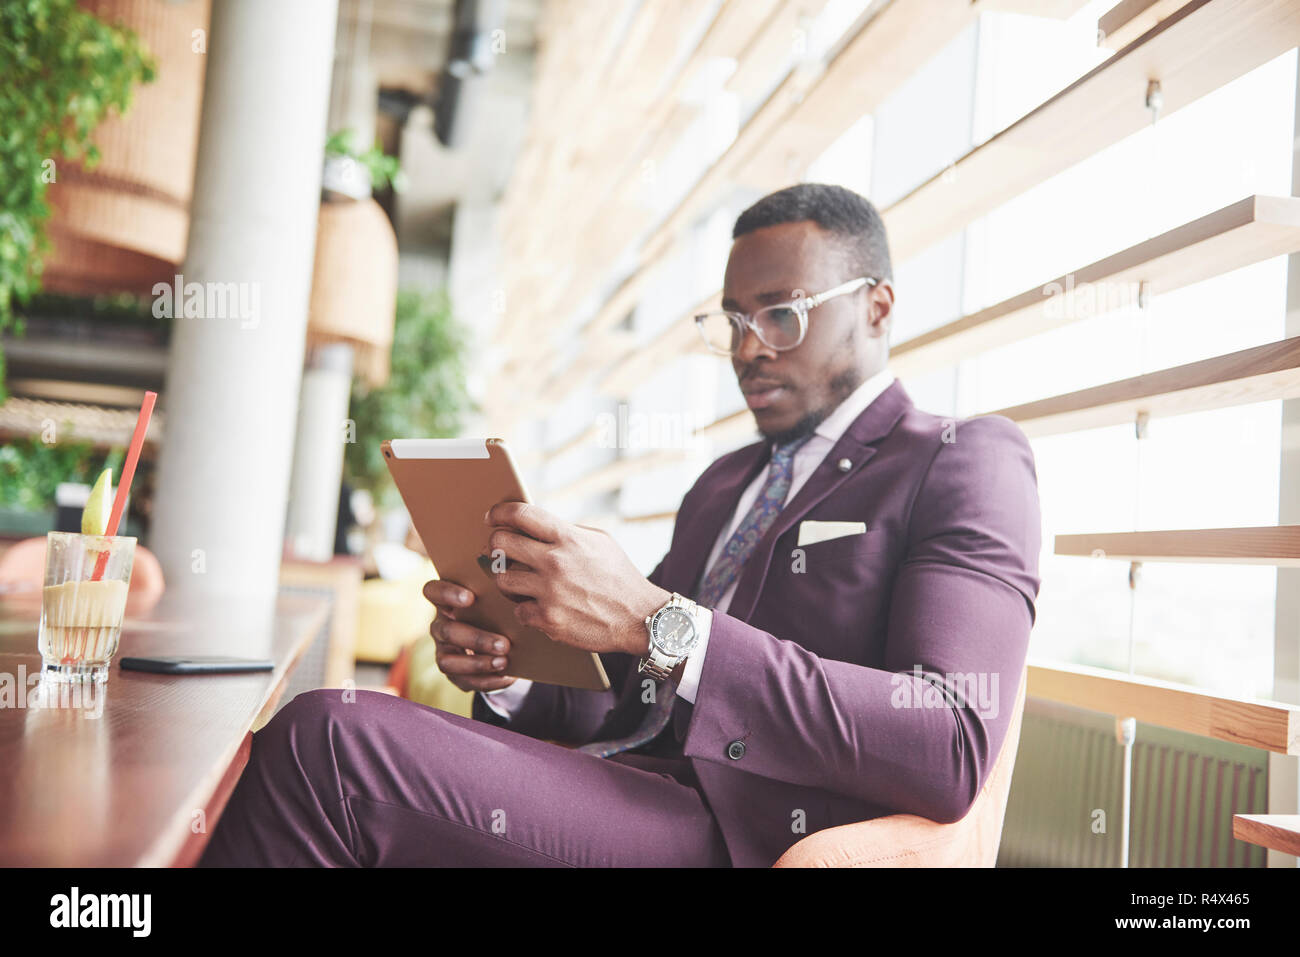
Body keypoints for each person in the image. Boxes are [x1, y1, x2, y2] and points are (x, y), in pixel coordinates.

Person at [200, 183, 1042, 868]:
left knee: (330, 740)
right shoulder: (724, 484)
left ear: (879, 308)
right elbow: (635, 705)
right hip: (626, 788)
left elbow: (950, 737)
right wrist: (513, 673)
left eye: (780, 314)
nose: (750, 349)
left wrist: (651, 619)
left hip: (743, 833)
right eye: (734, 322)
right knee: (322, 732)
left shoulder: (964, 459)